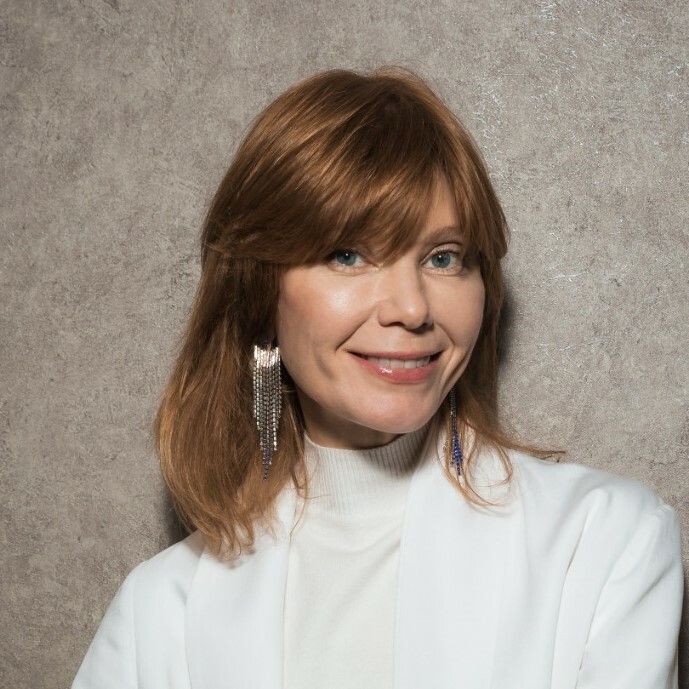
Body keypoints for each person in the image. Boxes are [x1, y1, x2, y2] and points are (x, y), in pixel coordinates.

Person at [72, 67, 683, 689]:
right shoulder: (159, 612)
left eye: (443, 258)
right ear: (260, 294)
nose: (412, 308)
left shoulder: (604, 543)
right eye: (348, 255)